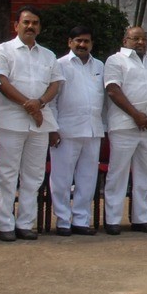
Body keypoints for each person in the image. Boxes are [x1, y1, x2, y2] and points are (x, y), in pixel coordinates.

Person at [0, 6, 64, 241]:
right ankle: (5, 225)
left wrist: (40, 102)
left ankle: (25, 223)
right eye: (26, 22)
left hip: (40, 122)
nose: (30, 26)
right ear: (16, 26)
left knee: (33, 175)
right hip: (12, 120)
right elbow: (1, 82)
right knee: (8, 174)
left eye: (35, 23)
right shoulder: (4, 51)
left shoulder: (48, 55)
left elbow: (55, 83)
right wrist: (29, 105)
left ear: (40, 27)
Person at [103, 25, 147, 235]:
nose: (141, 43)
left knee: (144, 174)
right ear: (125, 39)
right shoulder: (115, 60)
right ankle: (112, 219)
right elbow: (112, 90)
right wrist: (135, 115)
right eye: (136, 39)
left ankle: (140, 218)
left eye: (144, 39)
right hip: (124, 125)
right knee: (118, 172)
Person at [49, 25, 104, 236]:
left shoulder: (98, 65)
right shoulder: (59, 65)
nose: (82, 45)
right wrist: (53, 128)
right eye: (78, 41)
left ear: (91, 44)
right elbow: (52, 99)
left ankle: (81, 220)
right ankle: (63, 220)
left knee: (87, 179)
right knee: (62, 179)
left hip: (93, 130)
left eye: (86, 41)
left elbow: (103, 99)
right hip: (66, 130)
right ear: (69, 42)